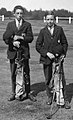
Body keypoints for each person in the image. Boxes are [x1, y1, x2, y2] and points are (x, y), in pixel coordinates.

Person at [36, 11, 71, 109]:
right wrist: (47, 53)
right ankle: (50, 96)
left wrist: (63, 54)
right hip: (46, 59)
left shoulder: (59, 29)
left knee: (60, 79)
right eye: (48, 19)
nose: (50, 21)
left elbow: (65, 43)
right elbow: (38, 46)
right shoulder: (42, 31)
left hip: (58, 59)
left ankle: (65, 99)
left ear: (54, 20)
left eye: (51, 19)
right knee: (48, 79)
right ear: (45, 20)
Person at [3, 5, 36, 102]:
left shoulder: (27, 24)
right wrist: (13, 42)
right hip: (13, 52)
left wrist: (21, 38)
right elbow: (5, 38)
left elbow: (30, 38)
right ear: (14, 14)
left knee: (26, 73)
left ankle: (28, 92)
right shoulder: (10, 25)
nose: (19, 15)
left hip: (24, 52)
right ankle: (14, 92)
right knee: (13, 73)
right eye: (17, 13)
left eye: (21, 13)